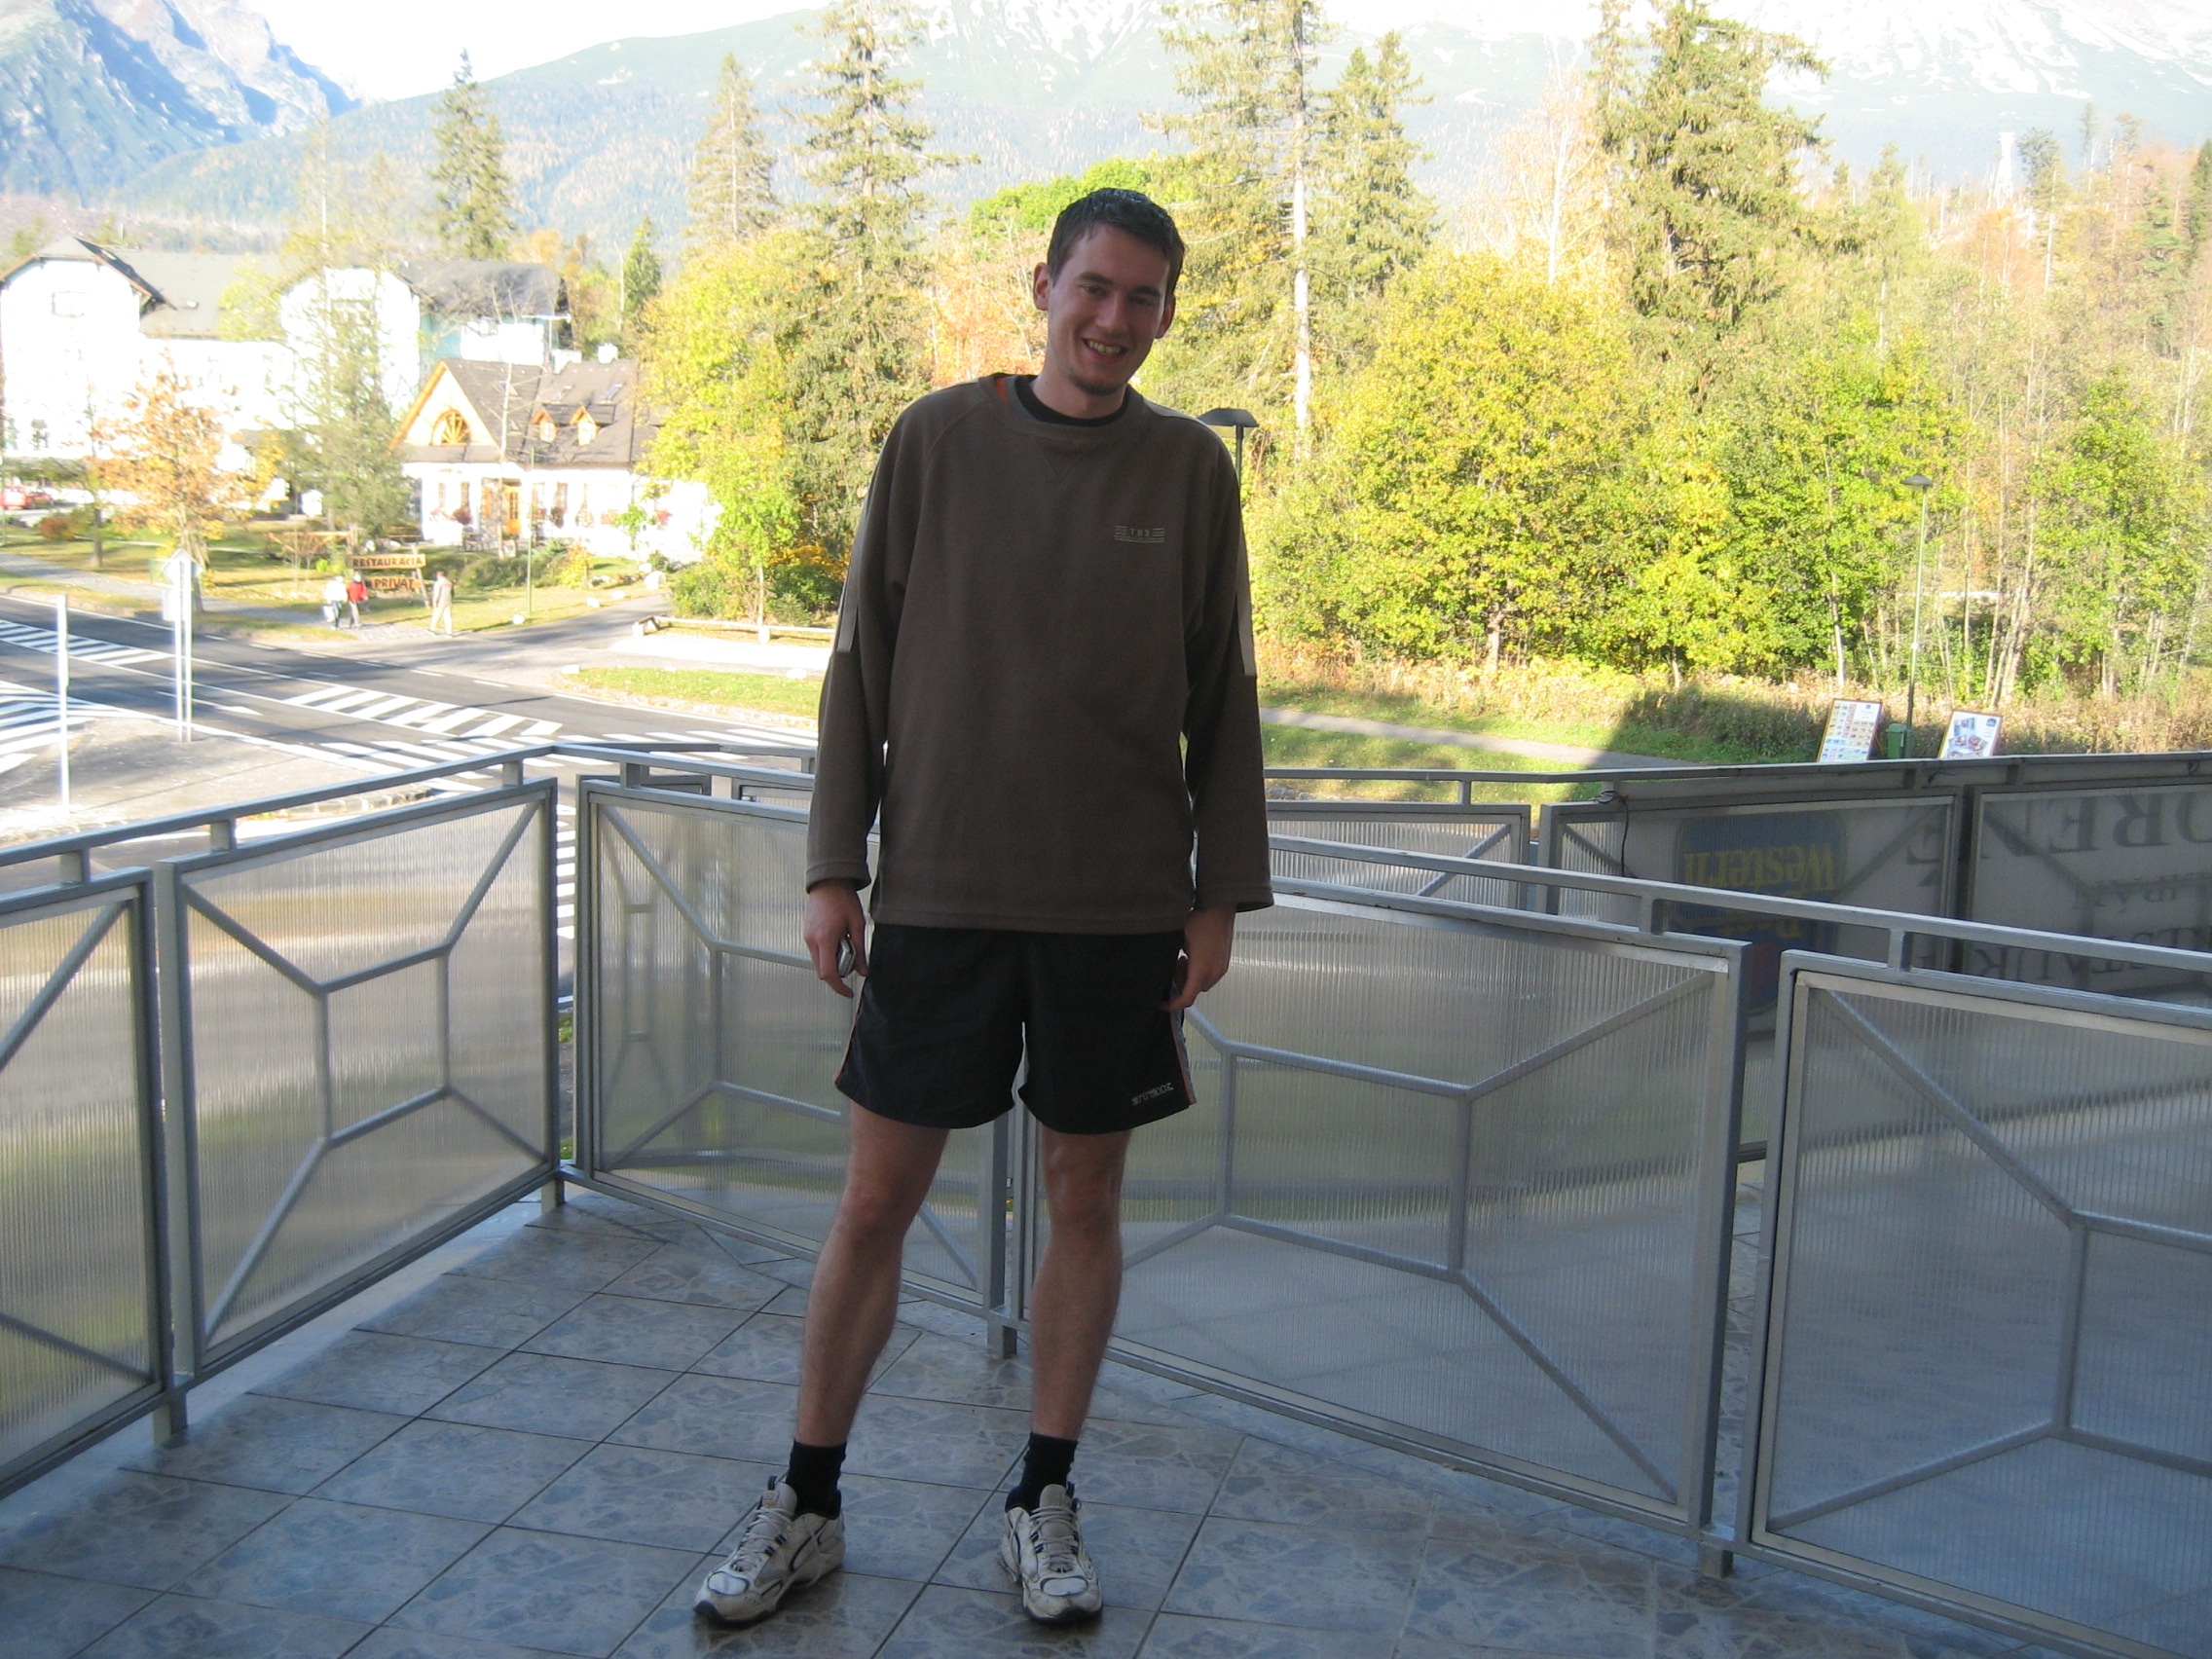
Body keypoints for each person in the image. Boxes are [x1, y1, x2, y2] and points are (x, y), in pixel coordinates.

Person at [693, 189, 1272, 1630]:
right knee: (872, 1203)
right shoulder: (935, 441)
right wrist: (833, 865)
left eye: (1144, 297)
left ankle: (1043, 1497)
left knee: (1085, 1198)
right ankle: (807, 1501)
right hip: (941, 898)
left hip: (1117, 912)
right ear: (1044, 286)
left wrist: (1219, 896)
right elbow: (859, 661)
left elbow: (1224, 691)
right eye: (1095, 287)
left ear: (1167, 313)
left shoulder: (1190, 470)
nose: (1114, 319)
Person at [427, 569, 455, 635]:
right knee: (448, 617)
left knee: (436, 615)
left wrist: (435, 602)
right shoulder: (449, 582)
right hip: (448, 601)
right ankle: (449, 632)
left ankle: (432, 629)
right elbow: (452, 593)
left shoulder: (438, 583)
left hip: (440, 601)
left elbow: (437, 593)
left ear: (438, 575)